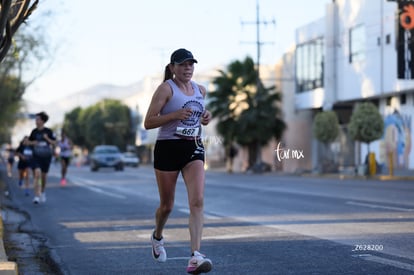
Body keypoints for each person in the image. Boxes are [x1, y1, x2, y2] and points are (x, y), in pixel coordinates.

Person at [144, 48, 213, 274]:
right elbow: (149, 122)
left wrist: (205, 117)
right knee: (167, 206)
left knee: (198, 201)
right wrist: (173, 116)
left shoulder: (200, 90)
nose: (188, 68)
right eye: (183, 65)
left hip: (193, 147)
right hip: (168, 148)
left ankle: (195, 256)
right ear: (172, 67)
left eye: (191, 64)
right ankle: (157, 236)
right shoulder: (166, 89)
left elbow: (198, 116)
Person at [28, 111, 56, 204]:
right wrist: (33, 142)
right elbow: (28, 142)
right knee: (37, 173)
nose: (36, 121)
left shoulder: (48, 131)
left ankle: (43, 192)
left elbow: (54, 143)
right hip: (36, 156)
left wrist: (47, 138)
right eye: (35, 119)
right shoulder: (34, 132)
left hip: (46, 156)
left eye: (38, 119)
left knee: (43, 177)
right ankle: (36, 195)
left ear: (43, 121)